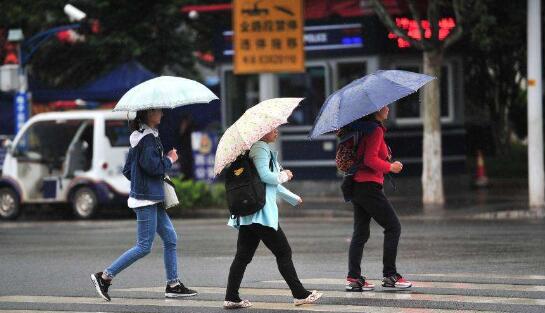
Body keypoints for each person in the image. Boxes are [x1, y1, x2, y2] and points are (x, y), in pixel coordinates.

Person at [90, 109, 197, 301]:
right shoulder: (147, 139)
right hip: (146, 199)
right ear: (147, 115)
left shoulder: (142, 136)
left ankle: (173, 284)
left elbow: (128, 169)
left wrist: (142, 183)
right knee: (143, 246)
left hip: (150, 196)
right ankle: (105, 277)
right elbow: (153, 167)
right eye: (158, 111)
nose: (162, 114)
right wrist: (170, 159)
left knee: (170, 238)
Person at [223, 128, 323, 309]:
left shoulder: (253, 150)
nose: (277, 132)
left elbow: (268, 184)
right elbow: (267, 177)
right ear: (262, 132)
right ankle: (299, 294)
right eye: (273, 129)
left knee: (243, 256)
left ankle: (231, 297)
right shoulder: (260, 148)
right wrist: (284, 175)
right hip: (261, 214)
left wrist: (292, 198)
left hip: (249, 215)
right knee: (283, 252)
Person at [344, 105, 412, 292]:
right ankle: (390, 275)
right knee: (393, 226)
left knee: (361, 233)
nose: (388, 108)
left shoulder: (365, 128)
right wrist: (390, 167)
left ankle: (354, 278)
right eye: (384, 106)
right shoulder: (374, 130)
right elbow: (370, 160)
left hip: (358, 185)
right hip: (367, 187)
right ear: (375, 110)